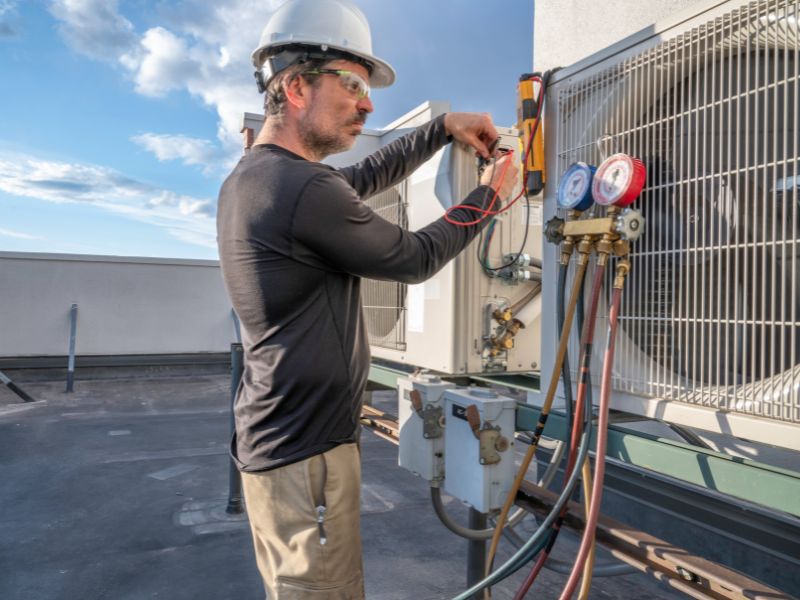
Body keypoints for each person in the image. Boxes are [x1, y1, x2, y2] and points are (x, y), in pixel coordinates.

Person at [216, 0, 519, 597]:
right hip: (305, 458)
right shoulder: (299, 188)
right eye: (352, 85)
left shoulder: (259, 177)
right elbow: (413, 256)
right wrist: (489, 195)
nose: (368, 104)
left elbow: (366, 178)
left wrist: (441, 128)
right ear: (297, 87)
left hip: (279, 444)